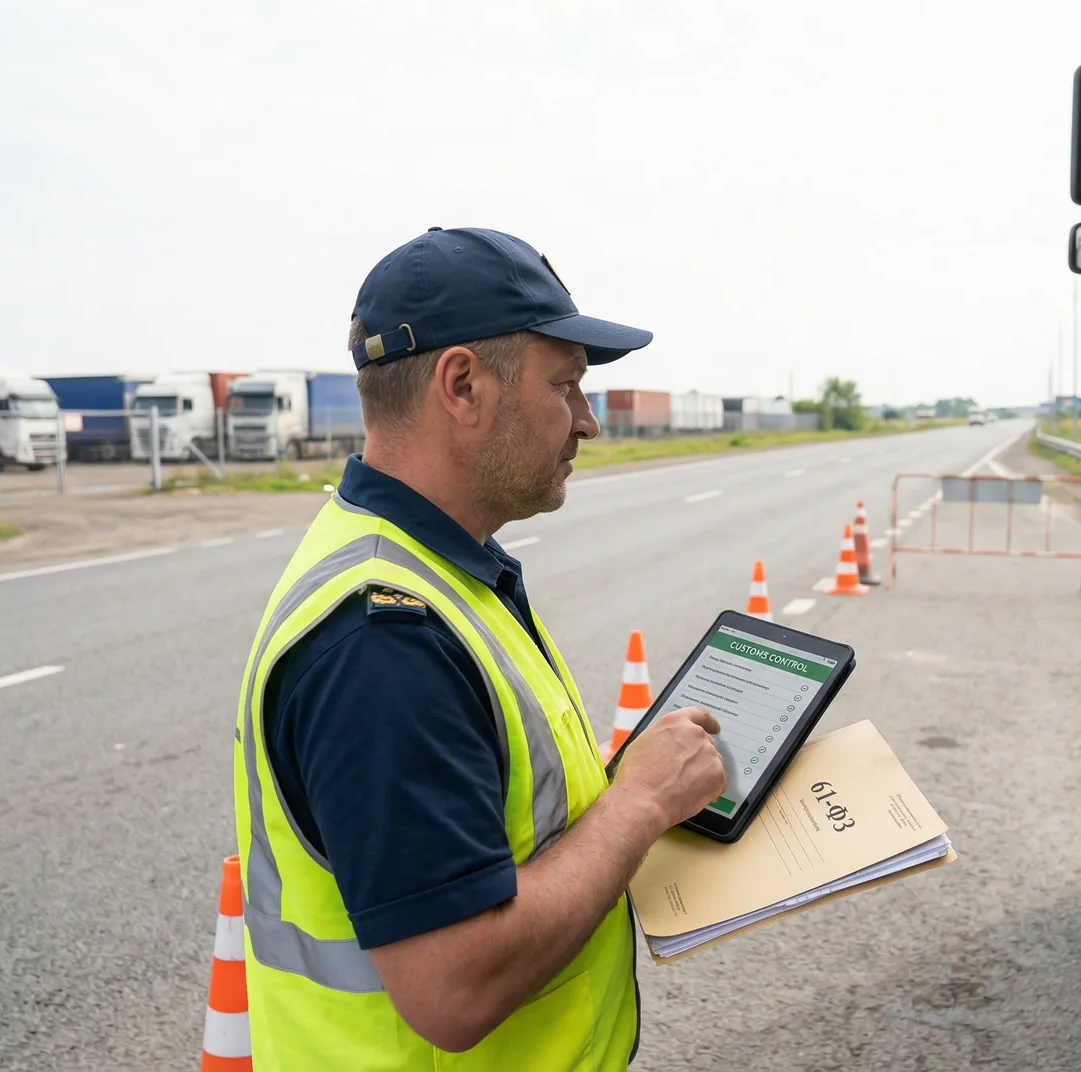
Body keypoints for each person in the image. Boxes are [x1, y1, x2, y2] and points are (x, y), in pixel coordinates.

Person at [231, 226, 729, 1070]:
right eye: (566, 386)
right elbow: (450, 989)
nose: (588, 422)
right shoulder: (382, 640)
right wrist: (638, 805)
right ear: (462, 384)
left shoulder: (428, 565)